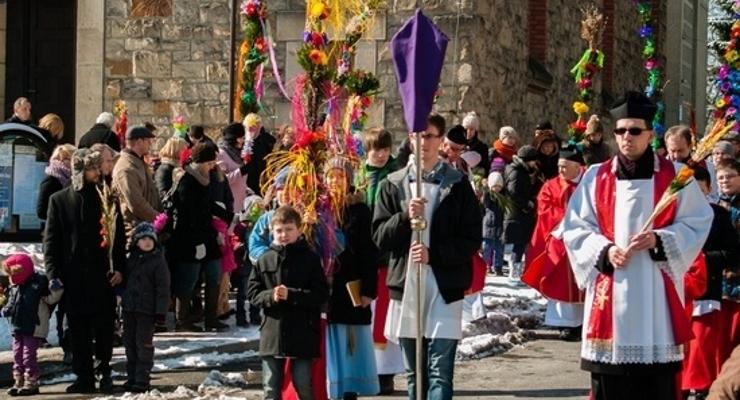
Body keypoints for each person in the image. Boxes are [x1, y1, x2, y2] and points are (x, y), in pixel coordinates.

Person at [562, 91, 713, 400]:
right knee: (610, 385)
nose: (626, 137)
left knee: (654, 387)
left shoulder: (675, 178)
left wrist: (660, 239)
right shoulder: (595, 177)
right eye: (620, 131)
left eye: (634, 130)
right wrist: (604, 250)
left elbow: (698, 221)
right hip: (611, 291)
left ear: (649, 133)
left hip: (655, 297)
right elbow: (575, 227)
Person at [372, 114, 482, 400]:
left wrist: (436, 255)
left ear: (440, 140)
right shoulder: (393, 184)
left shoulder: (457, 185)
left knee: (439, 372)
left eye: (430, 136)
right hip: (406, 285)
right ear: (410, 139)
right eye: (417, 136)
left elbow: (471, 239)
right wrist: (404, 217)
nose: (423, 143)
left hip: (444, 286)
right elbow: (380, 237)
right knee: (415, 374)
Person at [44, 148, 126, 394]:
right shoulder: (58, 200)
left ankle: (105, 370)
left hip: (102, 275)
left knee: (103, 328)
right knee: (77, 330)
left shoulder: (107, 197)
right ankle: (84, 375)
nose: (96, 173)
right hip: (73, 276)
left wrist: (120, 268)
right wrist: (53, 273)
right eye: (91, 168)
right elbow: (52, 241)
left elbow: (118, 238)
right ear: (80, 171)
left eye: (96, 168)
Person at [247, 205, 329, 400]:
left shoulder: (310, 259)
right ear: (272, 232)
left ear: (299, 230)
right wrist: (270, 296)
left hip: (303, 331)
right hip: (272, 333)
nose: (284, 234)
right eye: (279, 230)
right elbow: (253, 293)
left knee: (303, 385)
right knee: (270, 388)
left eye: (289, 229)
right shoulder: (264, 259)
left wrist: (292, 295)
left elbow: (321, 294)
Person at [324, 159, 380, 400]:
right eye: (331, 176)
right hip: (327, 289)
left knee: (350, 346)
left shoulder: (360, 210)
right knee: (331, 347)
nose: (335, 181)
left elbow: (369, 252)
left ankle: (349, 392)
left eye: (340, 176)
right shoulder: (319, 209)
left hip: (350, 288)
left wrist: (368, 289)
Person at [682, 167, 739, 399]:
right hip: (676, 291)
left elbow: (733, 253)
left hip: (707, 289)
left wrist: (703, 260)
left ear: (708, 188)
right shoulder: (672, 216)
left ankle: (701, 388)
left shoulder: (719, 215)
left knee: (701, 348)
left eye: (699, 187)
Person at [522, 144, 586, 341]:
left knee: (583, 282)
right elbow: (544, 209)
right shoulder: (551, 185)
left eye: (565, 166)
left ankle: (584, 322)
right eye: (559, 166)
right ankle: (564, 324)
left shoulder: (590, 183)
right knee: (560, 280)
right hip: (560, 240)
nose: (560, 170)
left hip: (584, 241)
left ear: (578, 167)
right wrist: (568, 220)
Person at [168, 143, 227, 332]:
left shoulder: (205, 178)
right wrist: (198, 243)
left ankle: (211, 318)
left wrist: (230, 216)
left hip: (206, 235)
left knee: (214, 273)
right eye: (210, 162)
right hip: (189, 239)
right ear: (201, 162)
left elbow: (208, 205)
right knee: (189, 277)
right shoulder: (187, 180)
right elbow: (189, 214)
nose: (213, 166)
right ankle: (182, 319)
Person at [2, 253, 63, 396]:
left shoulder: (38, 283)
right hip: (18, 326)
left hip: (34, 326)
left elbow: (50, 299)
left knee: (28, 355)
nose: (11, 278)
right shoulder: (15, 287)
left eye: (14, 273)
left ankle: (31, 381)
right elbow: (11, 303)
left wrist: (57, 288)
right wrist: (6, 310)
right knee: (17, 354)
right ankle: (19, 380)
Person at [122, 222, 171, 393]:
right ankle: (132, 376)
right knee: (129, 343)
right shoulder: (131, 260)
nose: (147, 242)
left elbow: (163, 289)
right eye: (143, 239)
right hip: (130, 308)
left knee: (143, 344)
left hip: (147, 311)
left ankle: (142, 377)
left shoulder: (158, 261)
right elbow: (125, 281)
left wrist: (160, 313)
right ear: (136, 242)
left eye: (150, 238)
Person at [112, 126, 162, 241]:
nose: (151, 144)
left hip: (148, 227)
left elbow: (152, 191)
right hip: (136, 231)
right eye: (148, 141)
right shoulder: (126, 169)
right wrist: (158, 218)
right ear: (139, 142)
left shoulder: (139, 161)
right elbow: (136, 203)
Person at [503, 145, 539, 282]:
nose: (534, 164)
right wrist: (527, 204)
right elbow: (514, 193)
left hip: (518, 213)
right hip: (517, 213)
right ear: (527, 160)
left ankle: (516, 270)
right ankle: (514, 272)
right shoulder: (517, 172)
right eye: (533, 161)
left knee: (520, 243)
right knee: (518, 243)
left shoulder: (519, 170)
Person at [217, 122, 250, 213]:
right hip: (229, 202)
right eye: (241, 138)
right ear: (233, 138)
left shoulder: (238, 153)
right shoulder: (221, 153)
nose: (243, 141)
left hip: (241, 201)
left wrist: (247, 190)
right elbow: (222, 180)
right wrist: (241, 171)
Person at [37, 144, 75, 220]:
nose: (74, 164)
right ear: (63, 159)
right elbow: (41, 212)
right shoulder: (50, 181)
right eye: (73, 160)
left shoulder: (70, 178)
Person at [242, 113, 276, 195]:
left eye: (254, 128)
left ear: (259, 127)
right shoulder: (242, 141)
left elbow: (271, 158)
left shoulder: (266, 140)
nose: (251, 131)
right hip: (246, 179)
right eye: (248, 128)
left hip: (261, 178)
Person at [482, 171, 506, 275]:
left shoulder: (503, 197)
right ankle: (486, 266)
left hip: (500, 227)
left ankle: (498, 267)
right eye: (495, 186)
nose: (497, 189)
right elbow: (485, 201)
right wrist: (486, 188)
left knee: (499, 250)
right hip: (488, 227)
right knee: (487, 249)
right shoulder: (488, 196)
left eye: (499, 186)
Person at [462, 111, 489, 176]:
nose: (468, 132)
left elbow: (486, 167)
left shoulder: (482, 147)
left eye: (471, 129)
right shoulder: (458, 145)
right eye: (466, 129)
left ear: (475, 130)